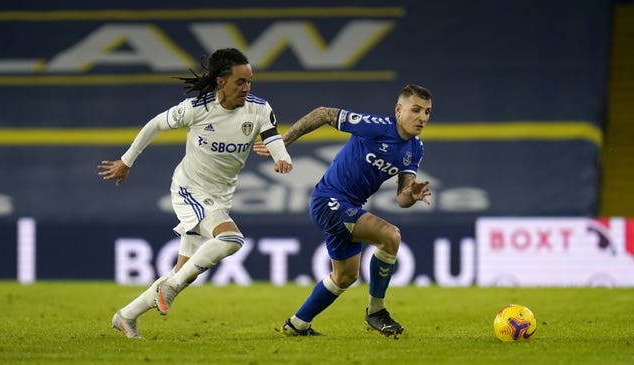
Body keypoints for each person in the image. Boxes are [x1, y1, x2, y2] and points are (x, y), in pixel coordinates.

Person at [98, 48, 293, 339]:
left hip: (220, 194)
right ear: (220, 81)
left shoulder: (259, 108)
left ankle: (126, 315)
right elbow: (155, 125)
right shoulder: (197, 108)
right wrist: (127, 161)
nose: (247, 88)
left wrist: (283, 156)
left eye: (250, 81)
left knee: (185, 270)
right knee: (231, 239)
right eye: (240, 82)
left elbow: (272, 136)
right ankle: (170, 289)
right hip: (190, 189)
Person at [254, 84, 433, 338]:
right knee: (391, 236)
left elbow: (402, 197)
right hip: (329, 201)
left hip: (349, 208)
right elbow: (325, 113)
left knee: (345, 276)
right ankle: (376, 311)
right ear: (398, 110)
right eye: (416, 110)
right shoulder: (376, 126)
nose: (422, 117)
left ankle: (297, 324)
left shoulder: (415, 149)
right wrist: (283, 141)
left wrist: (412, 195)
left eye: (427, 112)